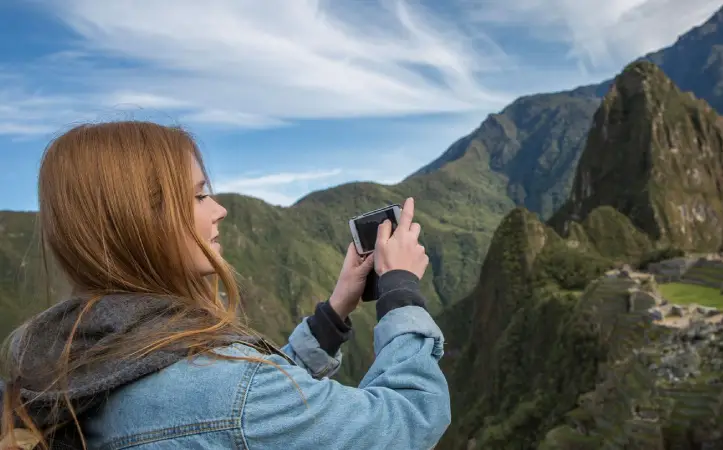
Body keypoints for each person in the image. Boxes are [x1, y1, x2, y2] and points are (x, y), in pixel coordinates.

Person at [0, 121, 450, 449]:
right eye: (198, 195)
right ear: (140, 222)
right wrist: (400, 291)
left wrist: (334, 313)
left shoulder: (66, 359)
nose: (219, 210)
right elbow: (409, 421)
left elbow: (246, 412)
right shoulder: (230, 394)